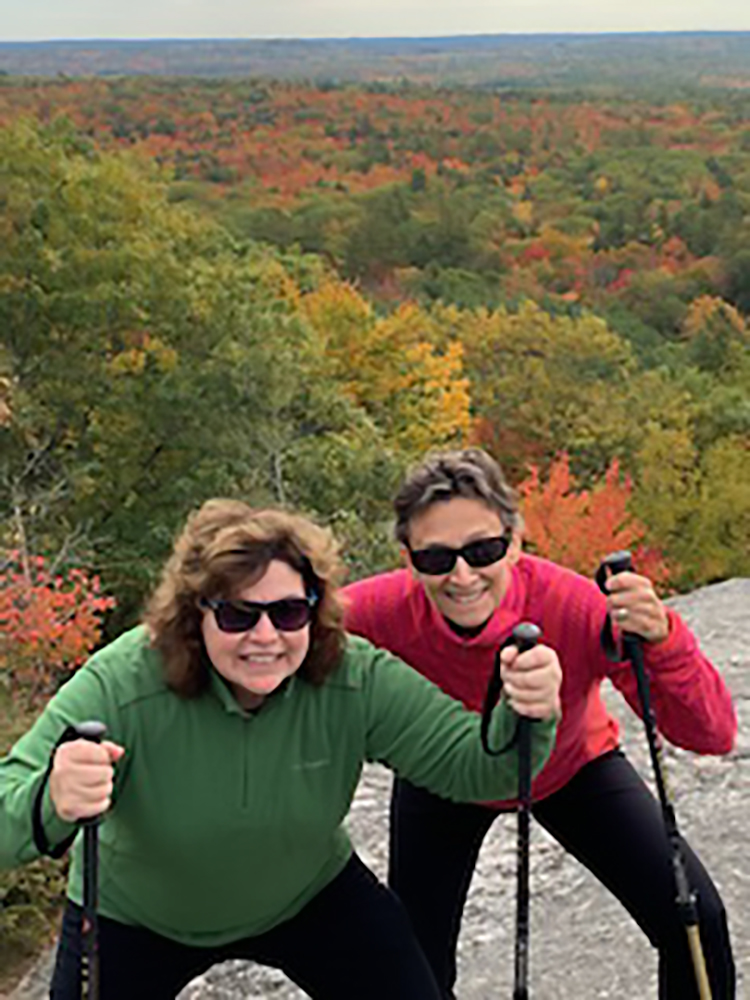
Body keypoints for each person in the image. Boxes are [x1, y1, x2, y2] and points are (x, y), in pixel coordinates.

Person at [0, 499, 561, 1000]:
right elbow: (8, 808)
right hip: (136, 917)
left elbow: (482, 771)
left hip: (310, 898)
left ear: (314, 611)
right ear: (197, 614)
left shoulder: (350, 674)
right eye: (238, 614)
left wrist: (527, 711)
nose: (265, 636)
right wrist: (52, 796)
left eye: (289, 612)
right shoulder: (122, 683)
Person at [342, 447, 737, 1000]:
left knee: (696, 919)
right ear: (408, 557)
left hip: (570, 768)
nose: (462, 575)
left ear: (516, 543)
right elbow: (283, 637)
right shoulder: (375, 612)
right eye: (436, 558)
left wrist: (666, 638)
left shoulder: (575, 607)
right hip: (445, 778)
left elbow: (712, 733)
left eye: (483, 550)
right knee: (414, 964)